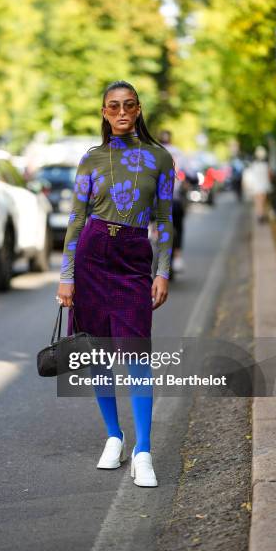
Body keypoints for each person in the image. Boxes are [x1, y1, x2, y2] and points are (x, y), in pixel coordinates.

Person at [56, 80, 175, 487]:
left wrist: (162, 271)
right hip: (91, 256)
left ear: (139, 109)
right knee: (97, 354)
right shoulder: (91, 159)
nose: (121, 112)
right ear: (104, 113)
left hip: (132, 258)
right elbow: (76, 219)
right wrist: (66, 275)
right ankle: (114, 436)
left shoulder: (159, 158)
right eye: (113, 107)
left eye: (128, 105)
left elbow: (164, 220)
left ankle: (144, 450)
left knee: (137, 354)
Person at [158, 130, 187, 273]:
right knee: (179, 225)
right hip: (174, 199)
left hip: (154, 201)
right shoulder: (178, 153)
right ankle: (178, 255)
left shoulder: (153, 152)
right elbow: (190, 173)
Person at [248, 145, 272, 223]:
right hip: (263, 186)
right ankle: (261, 215)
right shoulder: (266, 165)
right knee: (262, 202)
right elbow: (269, 176)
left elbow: (251, 176)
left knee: (257, 202)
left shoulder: (253, 165)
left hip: (256, 186)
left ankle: (259, 215)